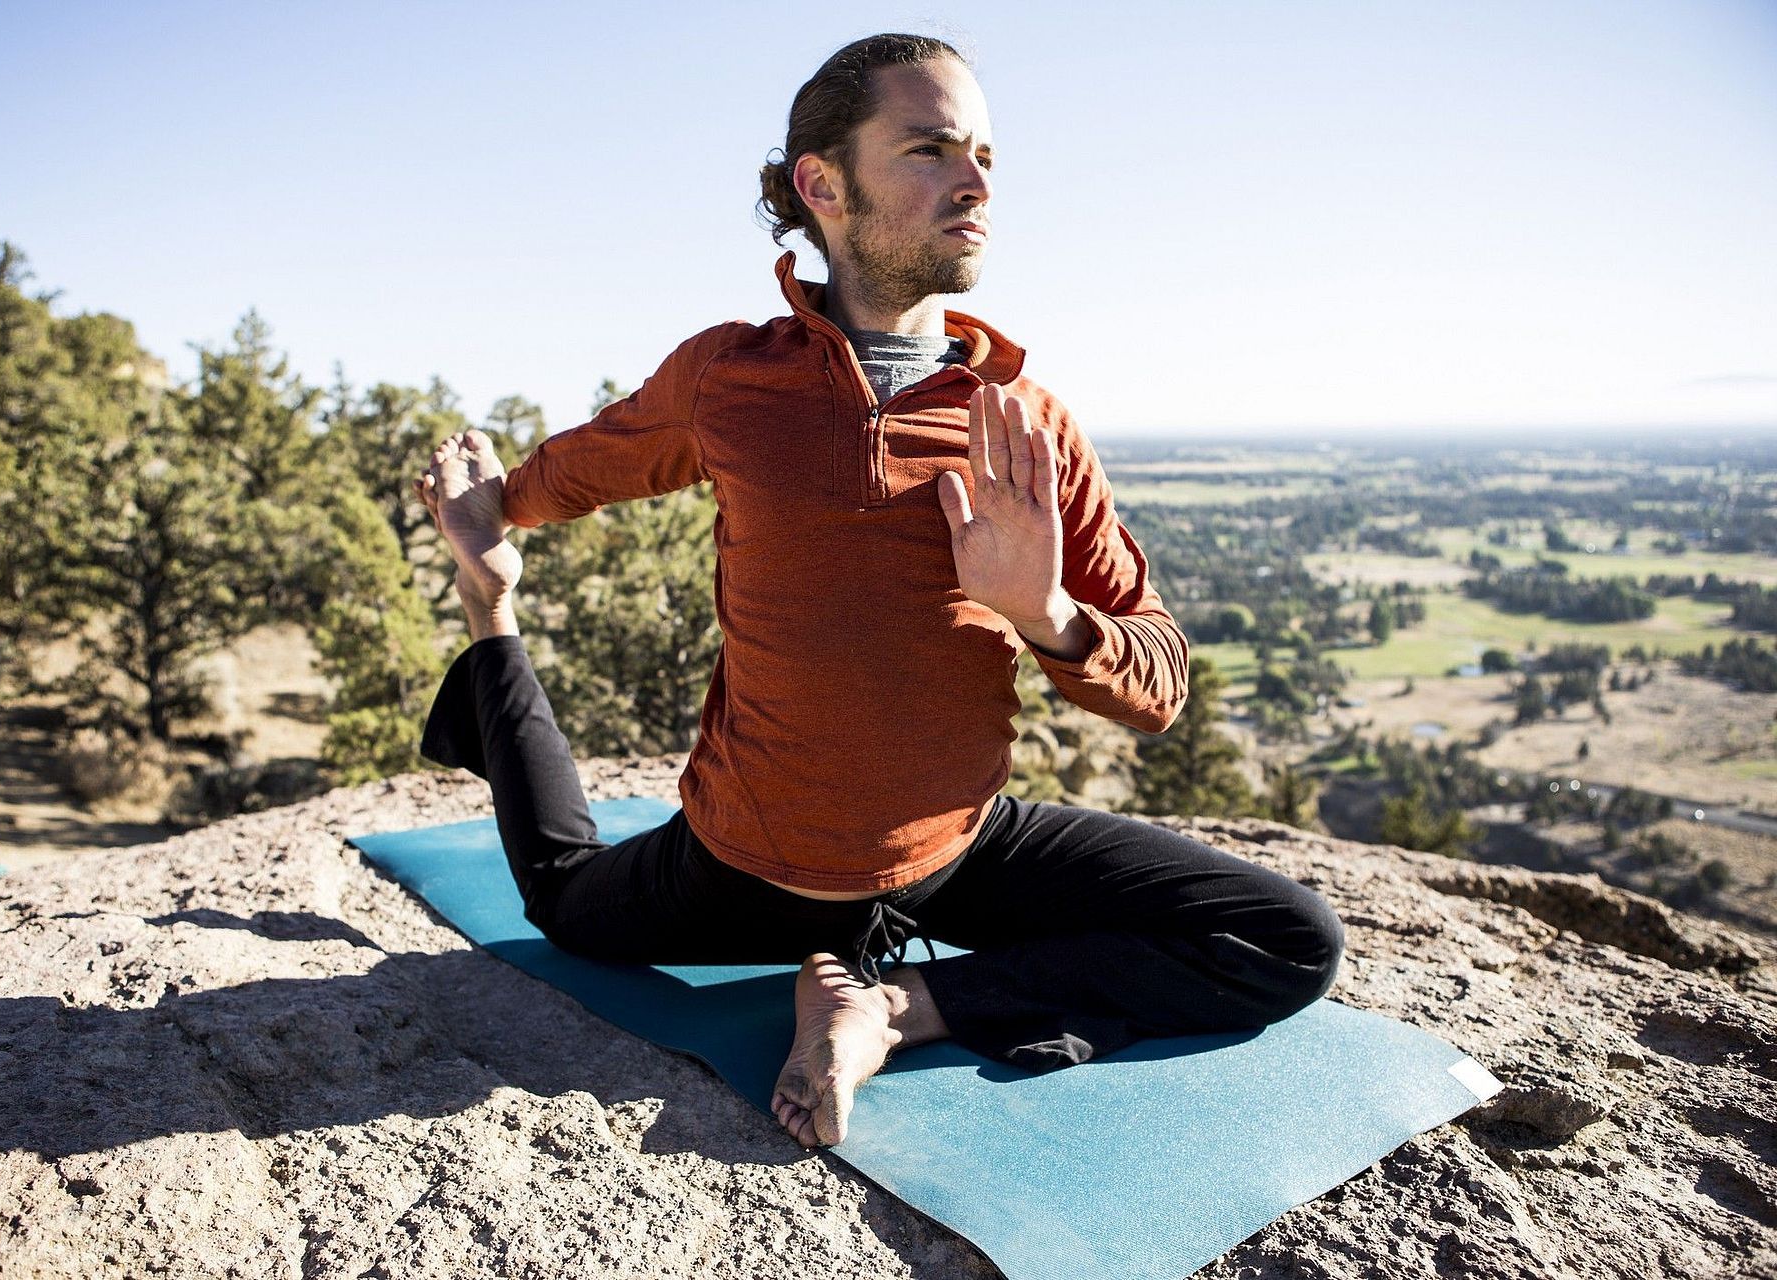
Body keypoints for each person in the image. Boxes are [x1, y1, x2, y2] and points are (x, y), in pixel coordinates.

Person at [412, 33, 1345, 1151]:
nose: (978, 180)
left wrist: (1042, 614)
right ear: (823, 184)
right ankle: (490, 618)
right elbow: (590, 462)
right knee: (562, 897)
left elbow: (1159, 681)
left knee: (1288, 938)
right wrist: (494, 521)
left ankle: (892, 1004)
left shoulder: (1024, 422)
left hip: (953, 858)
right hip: (739, 865)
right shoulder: (728, 376)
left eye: (987, 153)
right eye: (931, 148)